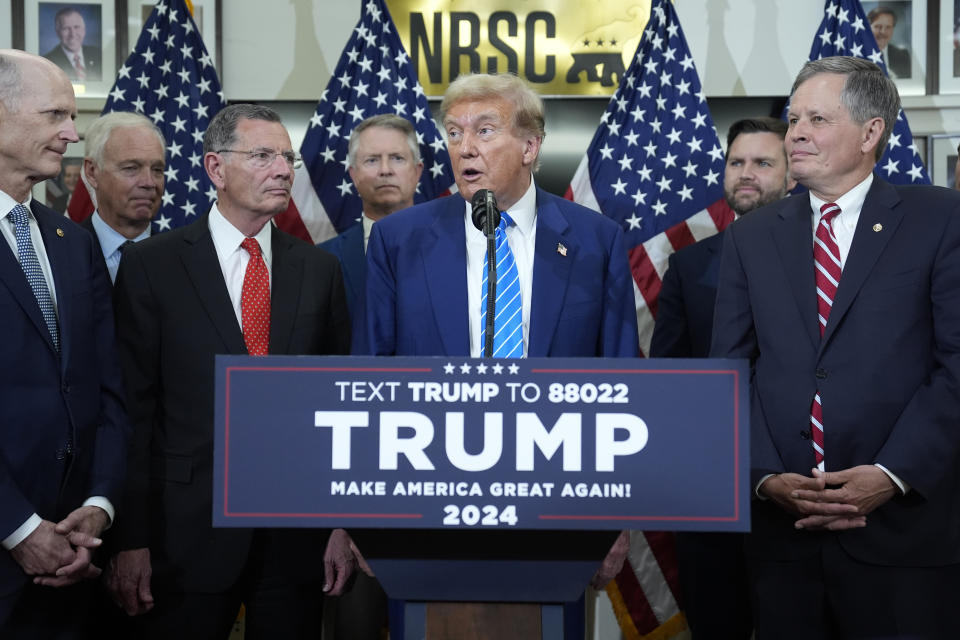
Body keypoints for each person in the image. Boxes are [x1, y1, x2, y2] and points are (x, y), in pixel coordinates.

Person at [358, 73, 637, 622]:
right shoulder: (400, 240)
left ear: (531, 147)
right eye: (455, 132)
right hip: (425, 506)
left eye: (485, 131)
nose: (465, 147)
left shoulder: (594, 240)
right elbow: (371, 379)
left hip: (559, 509)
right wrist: (366, 515)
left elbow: (620, 384)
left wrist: (617, 519)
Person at [711, 56, 960, 637]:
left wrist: (890, 473)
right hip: (783, 541)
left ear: (871, 132)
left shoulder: (941, 220)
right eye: (793, 118)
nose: (795, 132)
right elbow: (729, 368)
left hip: (905, 539)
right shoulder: (751, 235)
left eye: (816, 119)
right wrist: (763, 476)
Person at [107, 104, 355, 639]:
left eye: (287, 158)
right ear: (216, 169)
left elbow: (342, 405)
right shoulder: (153, 265)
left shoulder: (319, 269)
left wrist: (341, 523)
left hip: (294, 537)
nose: (283, 169)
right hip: (183, 537)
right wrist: (132, 538)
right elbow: (134, 412)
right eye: (262, 155)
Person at [650, 116, 794, 638]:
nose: (746, 173)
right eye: (737, 162)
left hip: (802, 495)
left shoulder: (827, 259)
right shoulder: (688, 267)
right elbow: (668, 380)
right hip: (714, 497)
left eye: (762, 162)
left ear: (792, 173)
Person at [0, 49, 128, 636]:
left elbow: (108, 390)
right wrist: (21, 529)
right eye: (55, 115)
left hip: (77, 557)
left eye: (72, 117)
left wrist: (99, 506)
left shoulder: (72, 242)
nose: (72, 134)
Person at [319, 114, 423, 318]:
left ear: (417, 171)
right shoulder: (324, 260)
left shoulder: (454, 250)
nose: (385, 170)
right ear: (353, 175)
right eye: (372, 160)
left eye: (397, 158)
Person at [79, 111, 165, 284]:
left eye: (157, 170)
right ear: (92, 172)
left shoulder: (182, 259)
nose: (149, 183)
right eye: (131, 168)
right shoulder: (62, 254)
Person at [42, 7, 101, 82]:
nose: (72, 34)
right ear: (57, 32)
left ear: (84, 30)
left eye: (76, 27)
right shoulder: (47, 63)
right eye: (66, 28)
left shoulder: (98, 54)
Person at [868, 6, 910, 79]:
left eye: (888, 27)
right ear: (868, 27)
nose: (883, 32)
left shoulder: (903, 55)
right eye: (878, 26)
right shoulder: (857, 55)